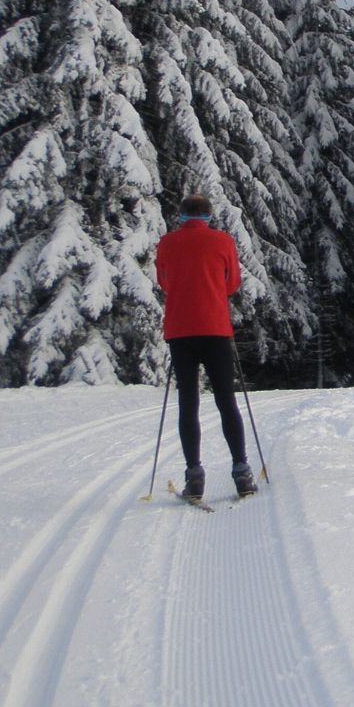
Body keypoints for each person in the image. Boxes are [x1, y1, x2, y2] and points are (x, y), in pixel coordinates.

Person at [155, 194, 255, 500]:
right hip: (215, 328)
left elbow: (165, 283)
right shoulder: (223, 241)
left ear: (181, 216)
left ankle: (194, 477)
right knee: (226, 400)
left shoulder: (167, 243)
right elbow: (232, 284)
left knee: (188, 402)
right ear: (209, 216)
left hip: (180, 330)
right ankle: (242, 473)